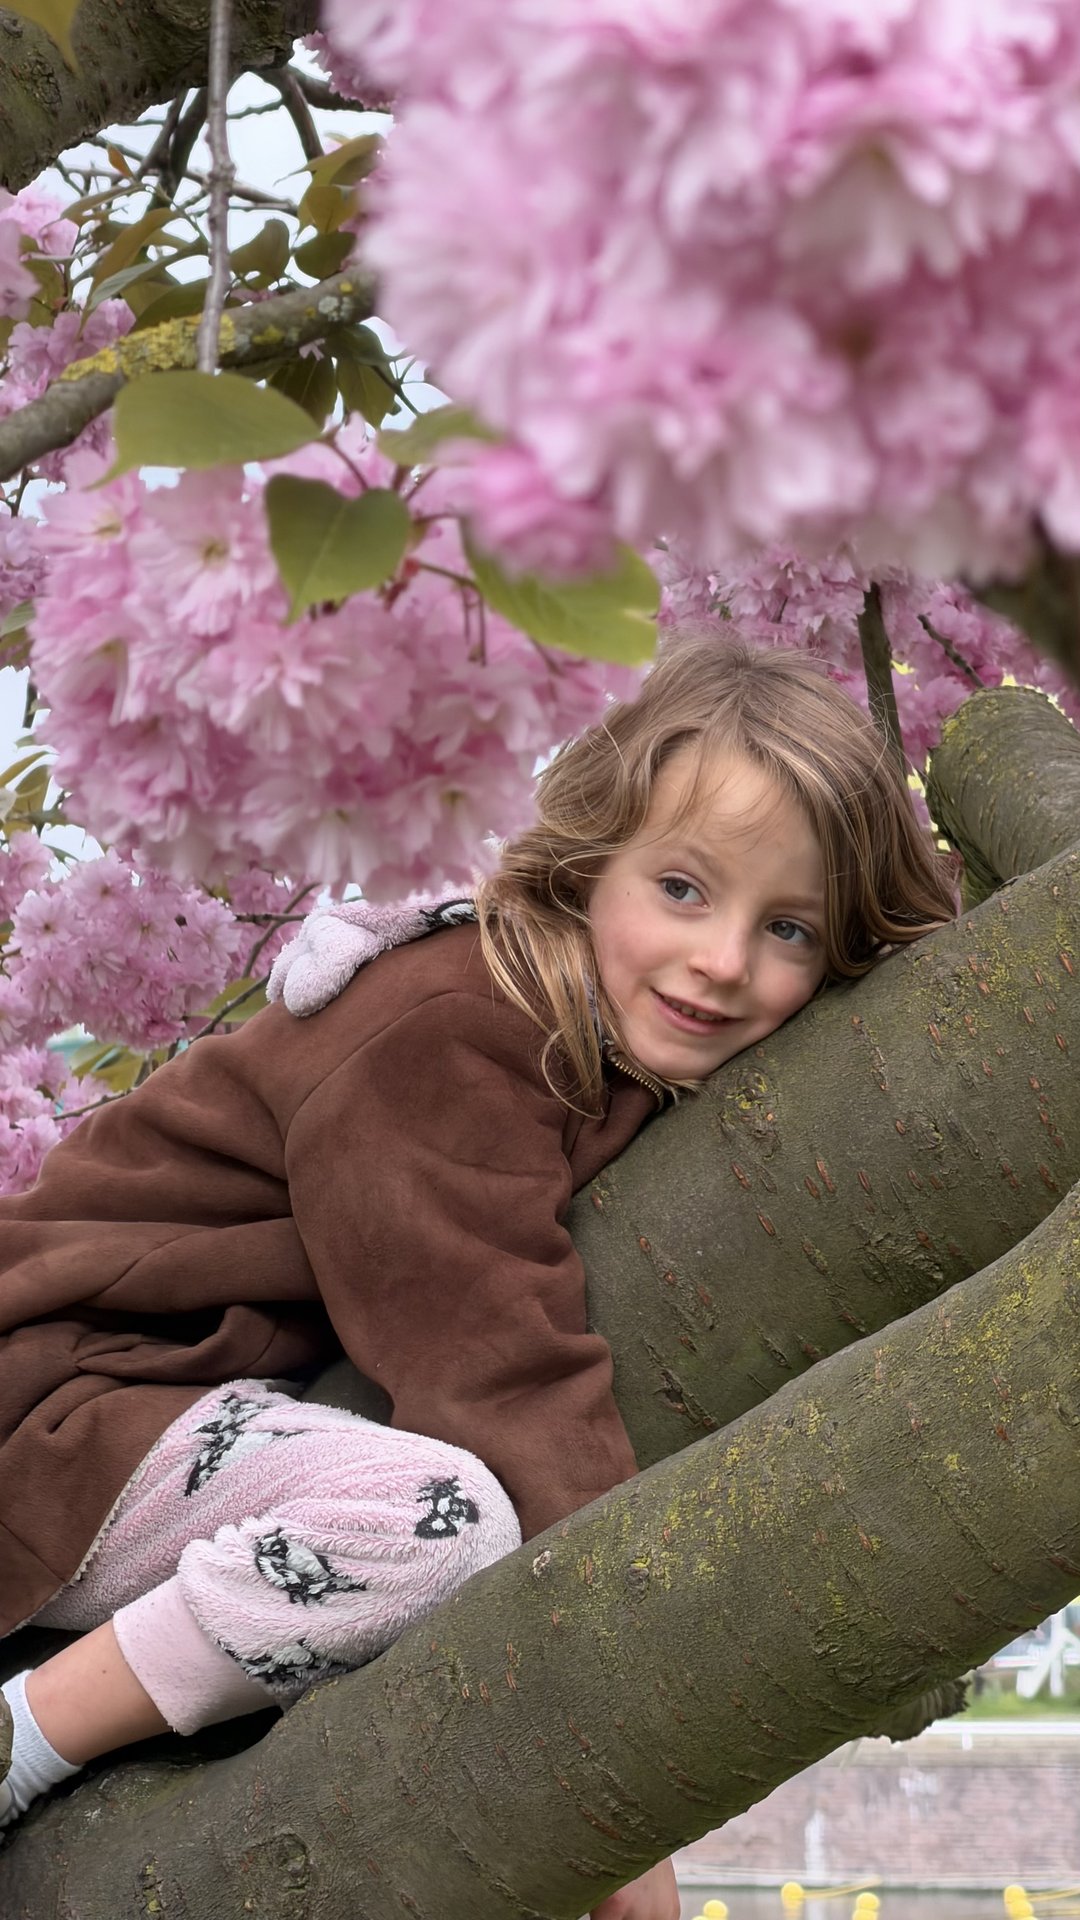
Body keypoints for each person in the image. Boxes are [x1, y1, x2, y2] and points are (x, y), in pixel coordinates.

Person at [0, 637, 956, 1918]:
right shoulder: (456, 1021)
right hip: (62, 1405)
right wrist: (626, 1807)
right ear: (587, 861)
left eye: (788, 931)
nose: (725, 960)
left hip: (150, 1412)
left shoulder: (590, 1033)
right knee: (434, 1522)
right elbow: (492, 1365)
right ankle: (28, 1734)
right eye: (682, 888)